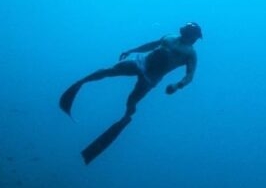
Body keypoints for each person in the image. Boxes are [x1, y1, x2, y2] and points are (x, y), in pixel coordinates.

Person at [59, 22, 203, 163]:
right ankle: (81, 83)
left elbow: (189, 76)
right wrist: (131, 50)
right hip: (140, 63)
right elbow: (150, 45)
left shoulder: (190, 54)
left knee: (132, 100)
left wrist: (177, 86)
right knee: (108, 71)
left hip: (151, 77)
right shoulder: (169, 36)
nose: (193, 39)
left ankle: (126, 118)